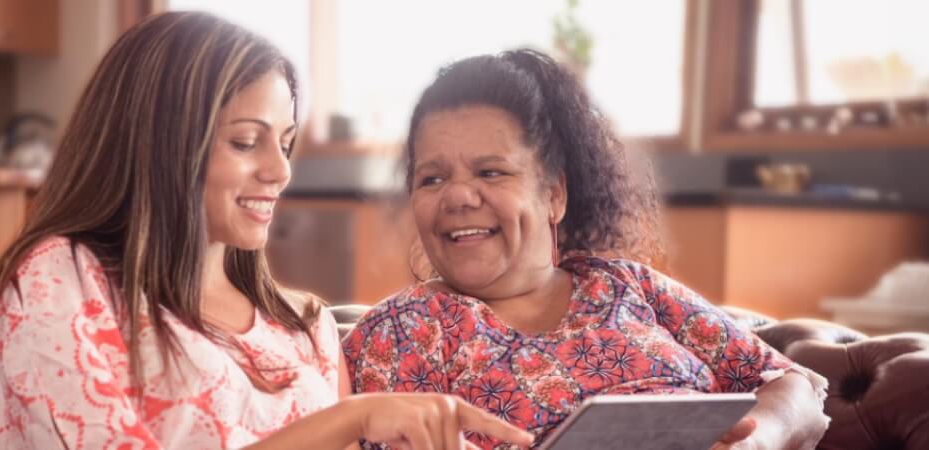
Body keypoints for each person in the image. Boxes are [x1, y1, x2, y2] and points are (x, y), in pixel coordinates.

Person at [0, 12, 533, 450]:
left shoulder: (303, 325)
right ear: (161, 140)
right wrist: (351, 418)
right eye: (244, 141)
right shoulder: (60, 278)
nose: (279, 171)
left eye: (284, 144)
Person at [342, 49, 830, 450]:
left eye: (491, 172)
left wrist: (759, 440)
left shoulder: (627, 285)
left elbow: (793, 386)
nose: (458, 196)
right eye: (432, 178)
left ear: (554, 194)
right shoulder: (401, 331)